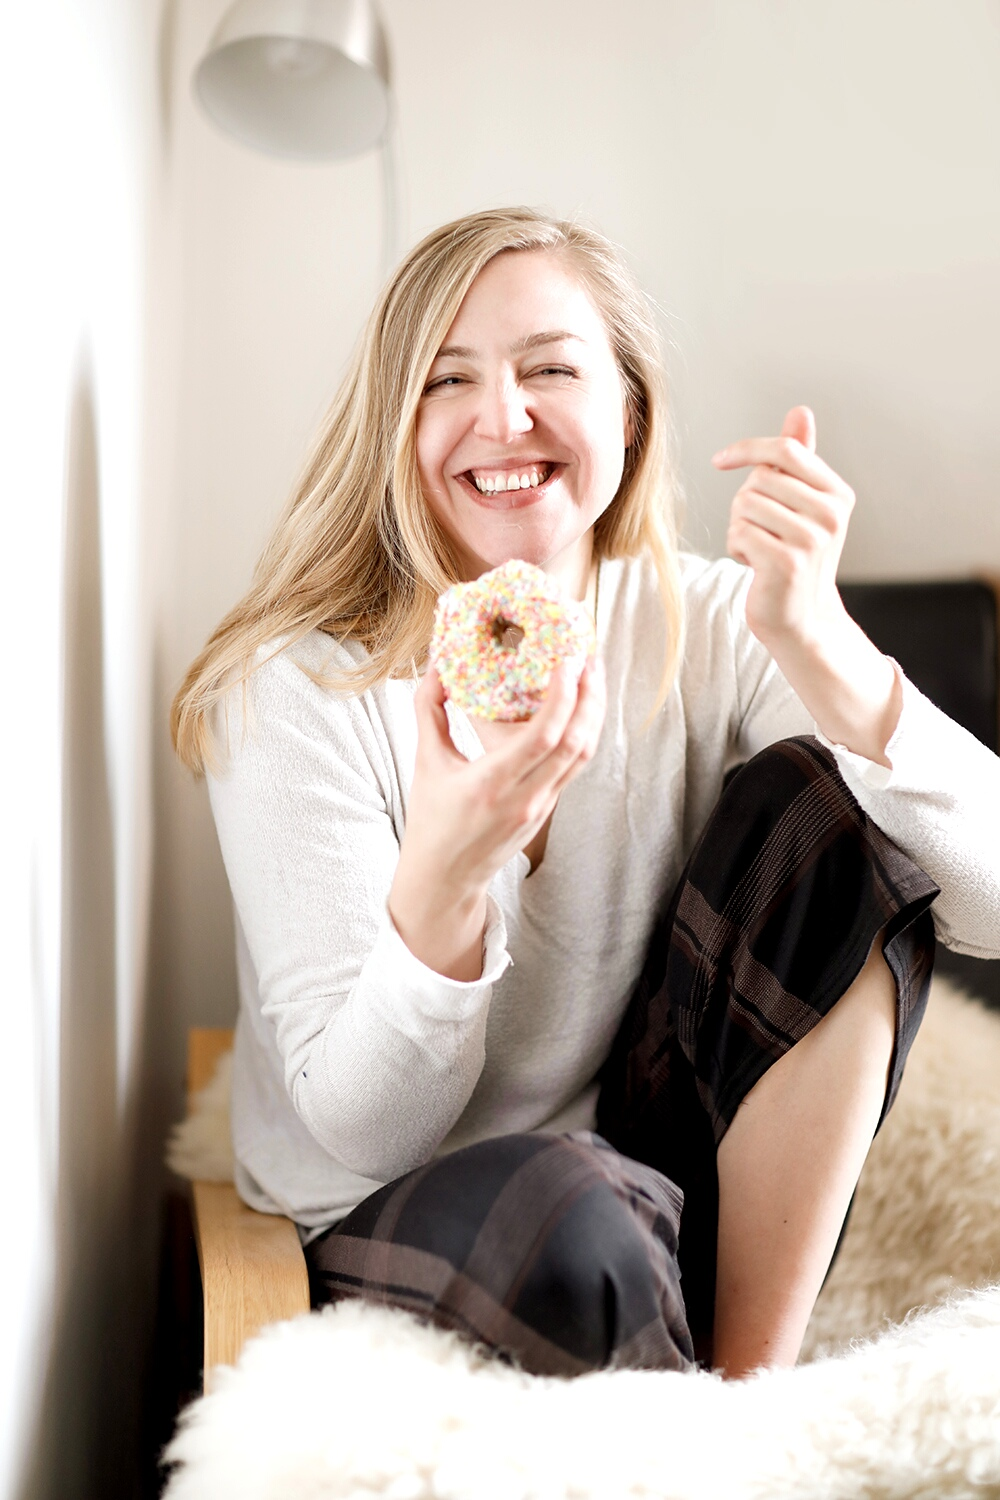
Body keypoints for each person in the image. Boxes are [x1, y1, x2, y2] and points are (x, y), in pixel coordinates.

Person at [172, 207, 1000, 1380]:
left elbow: (993, 910)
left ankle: (740, 1411)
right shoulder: (299, 687)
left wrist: (826, 650)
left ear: (627, 410)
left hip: (652, 1162)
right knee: (578, 1218)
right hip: (408, 1204)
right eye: (444, 379)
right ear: (394, 429)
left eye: (550, 368)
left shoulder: (709, 622)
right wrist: (451, 872)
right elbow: (362, 1129)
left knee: (825, 806)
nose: (502, 418)